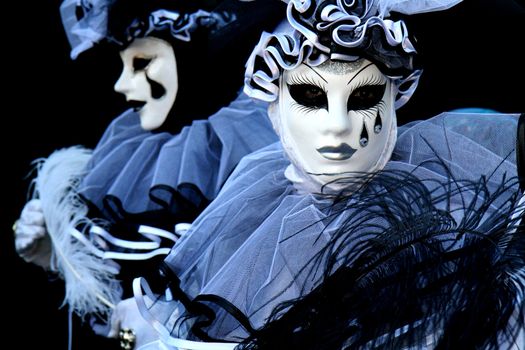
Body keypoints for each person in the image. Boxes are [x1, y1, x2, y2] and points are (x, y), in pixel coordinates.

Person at [125, 0, 523, 348]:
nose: (338, 125)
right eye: (311, 96)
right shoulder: (249, 225)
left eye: (364, 96)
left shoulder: (445, 212)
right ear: (274, 108)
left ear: (397, 98)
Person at [13, 0, 284, 343]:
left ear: (195, 56)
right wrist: (54, 255)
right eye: (124, 64)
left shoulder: (253, 151)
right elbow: (111, 297)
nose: (121, 84)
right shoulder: (128, 157)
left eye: (142, 63)